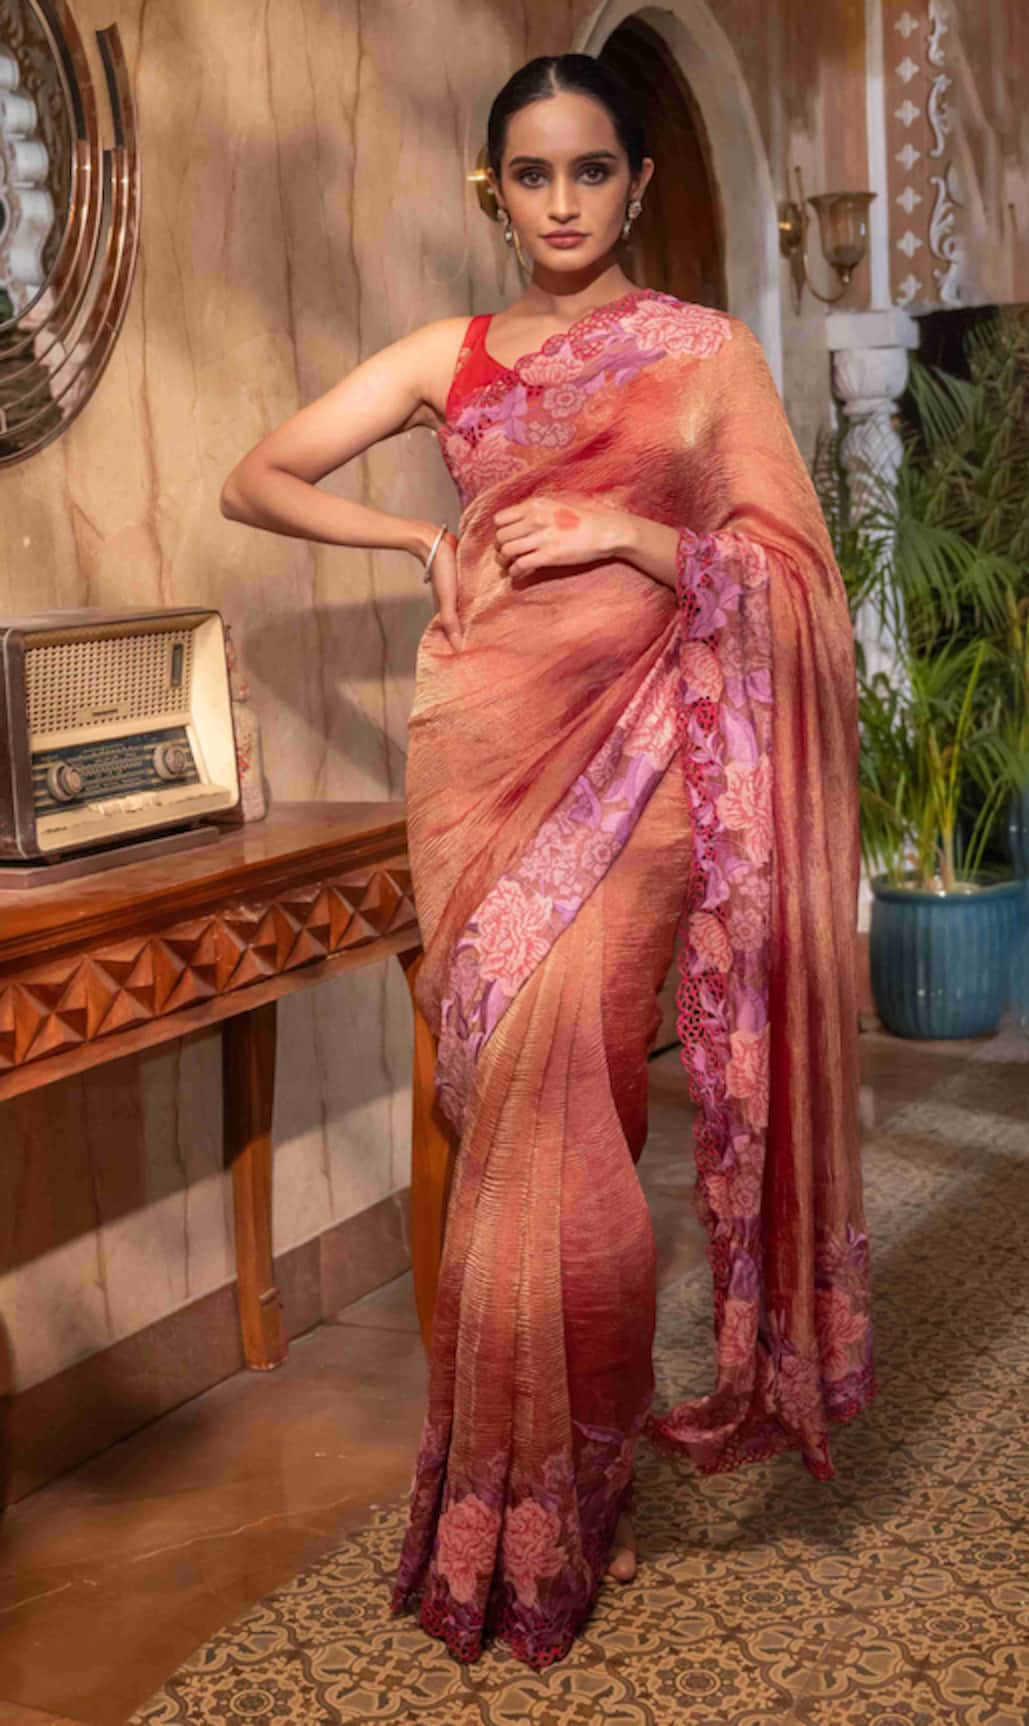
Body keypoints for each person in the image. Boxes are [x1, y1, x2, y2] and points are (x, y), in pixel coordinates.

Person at [221, 51, 875, 1673]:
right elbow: (256, 476)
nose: (563, 202)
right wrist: (414, 537)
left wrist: (628, 533)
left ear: (636, 186)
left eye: (592, 171)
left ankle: (569, 1495)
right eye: (533, 174)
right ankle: (516, 1484)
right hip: (475, 765)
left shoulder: (700, 354)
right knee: (512, 1115)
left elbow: (795, 578)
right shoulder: (445, 356)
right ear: (493, 191)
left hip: (640, 773)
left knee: (567, 1122)